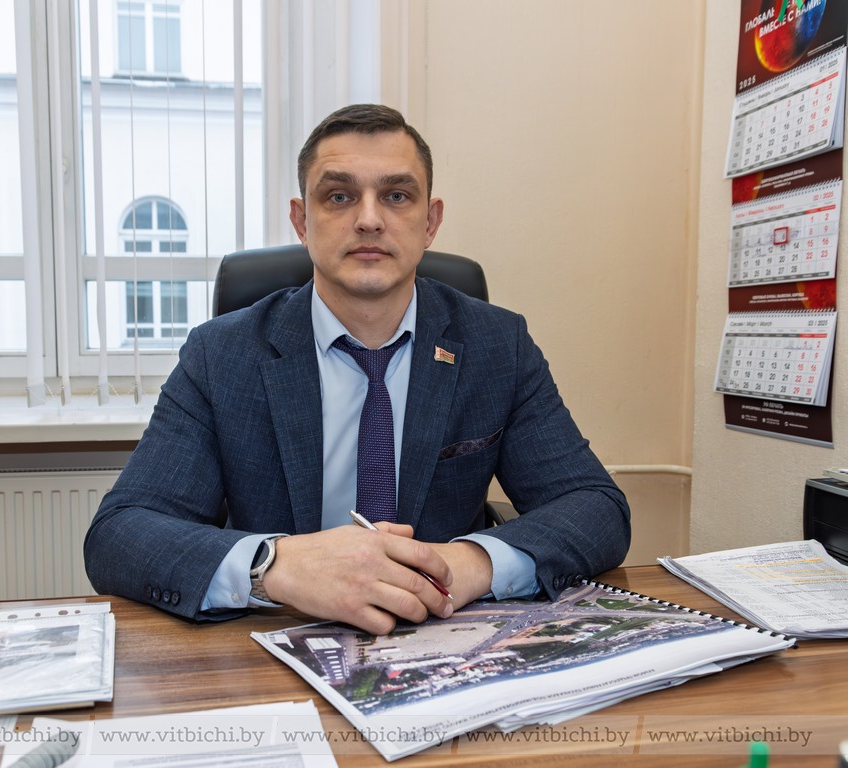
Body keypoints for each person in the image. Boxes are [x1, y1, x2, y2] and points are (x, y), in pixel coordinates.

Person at [84, 104, 630, 635]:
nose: (369, 219)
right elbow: (120, 534)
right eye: (339, 196)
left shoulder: (496, 346)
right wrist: (275, 566)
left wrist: (468, 563)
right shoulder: (222, 355)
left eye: (396, 195)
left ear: (430, 222)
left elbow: (596, 508)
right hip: (275, 642)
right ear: (302, 220)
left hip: (446, 639)